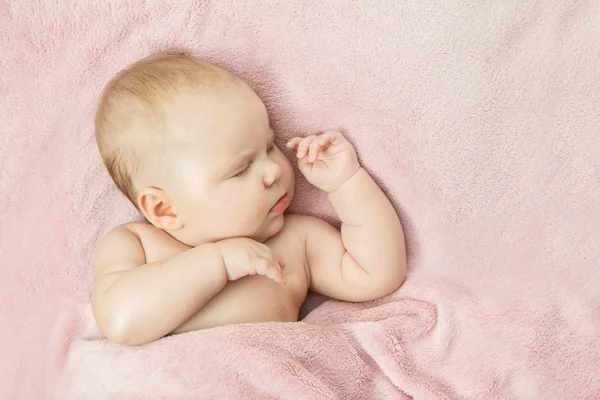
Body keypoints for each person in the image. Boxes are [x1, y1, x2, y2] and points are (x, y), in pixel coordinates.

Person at [92, 54, 406, 345]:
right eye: (240, 169)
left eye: (269, 146)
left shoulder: (295, 241)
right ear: (165, 209)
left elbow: (377, 275)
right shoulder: (139, 245)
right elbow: (121, 322)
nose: (273, 170)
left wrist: (346, 182)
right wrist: (218, 262)